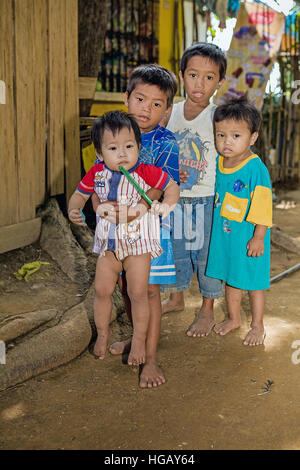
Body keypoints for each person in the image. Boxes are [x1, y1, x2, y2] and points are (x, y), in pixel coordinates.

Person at [68, 111, 179, 365]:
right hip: (109, 246)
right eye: (113, 148)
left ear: (139, 147)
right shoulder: (95, 174)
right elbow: (79, 195)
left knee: (138, 293)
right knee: (102, 290)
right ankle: (103, 334)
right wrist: (74, 209)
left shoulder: (147, 171)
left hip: (138, 245)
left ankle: (138, 340)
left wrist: (166, 205)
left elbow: (171, 186)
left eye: (129, 146)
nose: (122, 153)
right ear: (99, 153)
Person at [93, 64, 180, 388]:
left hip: (150, 232)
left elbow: (162, 185)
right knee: (128, 291)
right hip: (116, 235)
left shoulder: (167, 141)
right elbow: (96, 183)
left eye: (158, 104)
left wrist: (139, 209)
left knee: (150, 292)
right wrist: (101, 209)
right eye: (141, 99)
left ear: (167, 109)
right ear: (126, 98)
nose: (148, 108)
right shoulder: (111, 135)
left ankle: (151, 357)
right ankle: (136, 338)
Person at [161, 43, 226, 338]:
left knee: (204, 255)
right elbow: (157, 151)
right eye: (193, 75)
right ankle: (176, 298)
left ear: (220, 83)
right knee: (176, 251)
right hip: (173, 198)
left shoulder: (218, 117)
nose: (200, 84)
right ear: (181, 75)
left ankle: (207, 309)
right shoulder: (168, 113)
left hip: (205, 199)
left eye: (209, 77)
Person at [206, 95, 272, 346]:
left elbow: (264, 206)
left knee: (254, 282)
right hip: (227, 237)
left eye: (236, 136)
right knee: (230, 277)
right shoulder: (221, 162)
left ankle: (257, 324)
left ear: (252, 138)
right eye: (221, 135)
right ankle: (234, 318)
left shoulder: (256, 168)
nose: (226, 142)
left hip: (251, 238)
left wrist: (258, 237)